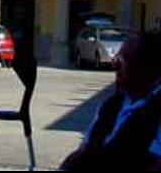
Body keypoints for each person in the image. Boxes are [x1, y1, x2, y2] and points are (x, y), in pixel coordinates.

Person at [62, 30, 161, 170]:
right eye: (117, 59)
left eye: (124, 59)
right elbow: (83, 151)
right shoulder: (111, 105)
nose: (115, 66)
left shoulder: (155, 111)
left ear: (148, 66)